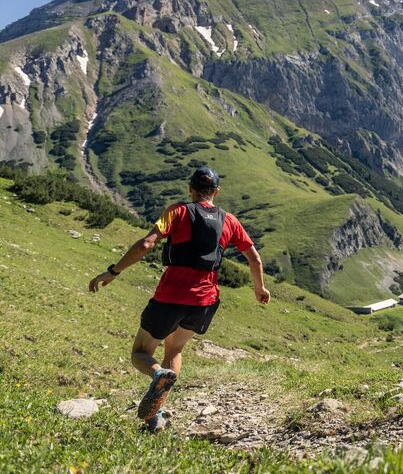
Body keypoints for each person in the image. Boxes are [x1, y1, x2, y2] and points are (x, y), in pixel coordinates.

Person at [88, 166, 270, 431]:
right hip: (204, 301)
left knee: (141, 352)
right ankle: (156, 415)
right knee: (174, 349)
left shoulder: (177, 211)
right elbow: (254, 258)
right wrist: (259, 289)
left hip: (170, 297)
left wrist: (113, 271)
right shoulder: (229, 220)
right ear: (216, 192)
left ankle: (158, 375)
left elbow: (145, 245)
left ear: (190, 188)